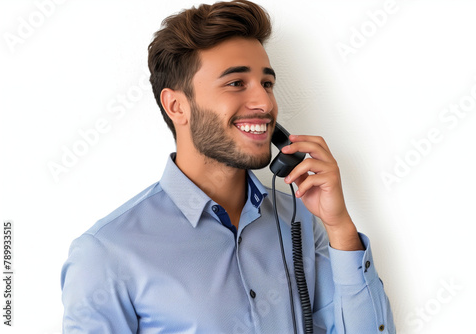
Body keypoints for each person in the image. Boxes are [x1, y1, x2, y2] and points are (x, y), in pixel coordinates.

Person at [61, 0, 395, 333]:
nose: (265, 103)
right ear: (177, 106)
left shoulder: (301, 221)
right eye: (236, 83)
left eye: (267, 84)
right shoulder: (105, 253)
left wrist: (339, 227)